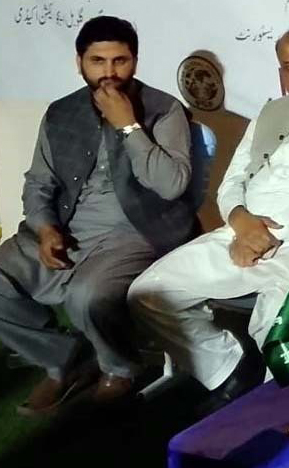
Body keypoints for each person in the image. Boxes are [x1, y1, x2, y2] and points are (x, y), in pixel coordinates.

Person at [128, 27, 289, 409]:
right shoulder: (269, 112)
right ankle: (227, 369)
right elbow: (231, 181)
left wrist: (269, 235)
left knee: (278, 326)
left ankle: (273, 409)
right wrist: (240, 221)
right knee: (148, 293)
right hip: (240, 233)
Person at [0, 16, 194, 415]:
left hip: (136, 232)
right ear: (79, 63)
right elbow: (39, 183)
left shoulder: (164, 110)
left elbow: (171, 185)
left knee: (87, 296)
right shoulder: (61, 112)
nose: (109, 72)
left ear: (135, 61)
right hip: (65, 227)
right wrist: (45, 228)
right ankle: (63, 359)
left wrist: (129, 126)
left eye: (120, 61)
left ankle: (119, 367)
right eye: (97, 61)